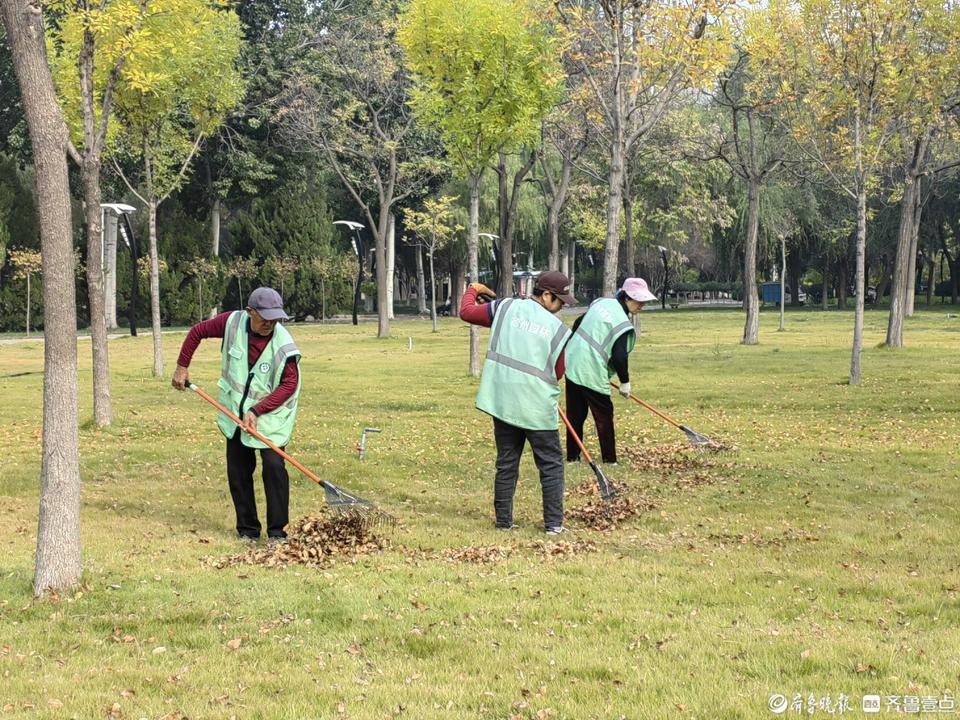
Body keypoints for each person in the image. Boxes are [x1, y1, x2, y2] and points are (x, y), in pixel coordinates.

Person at [171, 287, 301, 544]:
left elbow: (289, 385)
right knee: (238, 471)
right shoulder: (232, 322)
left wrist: (257, 410)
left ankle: (278, 533)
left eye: (275, 319)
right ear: (250, 312)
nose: (270, 324)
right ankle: (248, 530)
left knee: (274, 468)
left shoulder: (284, 345)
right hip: (236, 414)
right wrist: (182, 366)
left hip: (272, 414)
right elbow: (197, 331)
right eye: (265, 318)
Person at [460, 271, 577, 534]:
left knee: (507, 461)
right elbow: (558, 372)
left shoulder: (504, 307)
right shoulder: (558, 330)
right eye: (560, 301)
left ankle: (504, 523)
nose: (560, 308)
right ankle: (554, 526)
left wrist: (472, 289)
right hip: (536, 407)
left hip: (503, 401)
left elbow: (467, 312)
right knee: (550, 465)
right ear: (546, 296)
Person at [563, 277, 657, 465]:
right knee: (604, 415)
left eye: (644, 301)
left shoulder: (601, 303)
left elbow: (578, 322)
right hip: (590, 371)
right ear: (626, 297)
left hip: (572, 363)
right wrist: (625, 382)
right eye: (639, 301)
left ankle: (572, 457)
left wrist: (576, 347)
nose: (642, 305)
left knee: (575, 415)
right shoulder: (622, 323)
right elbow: (619, 357)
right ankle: (610, 460)